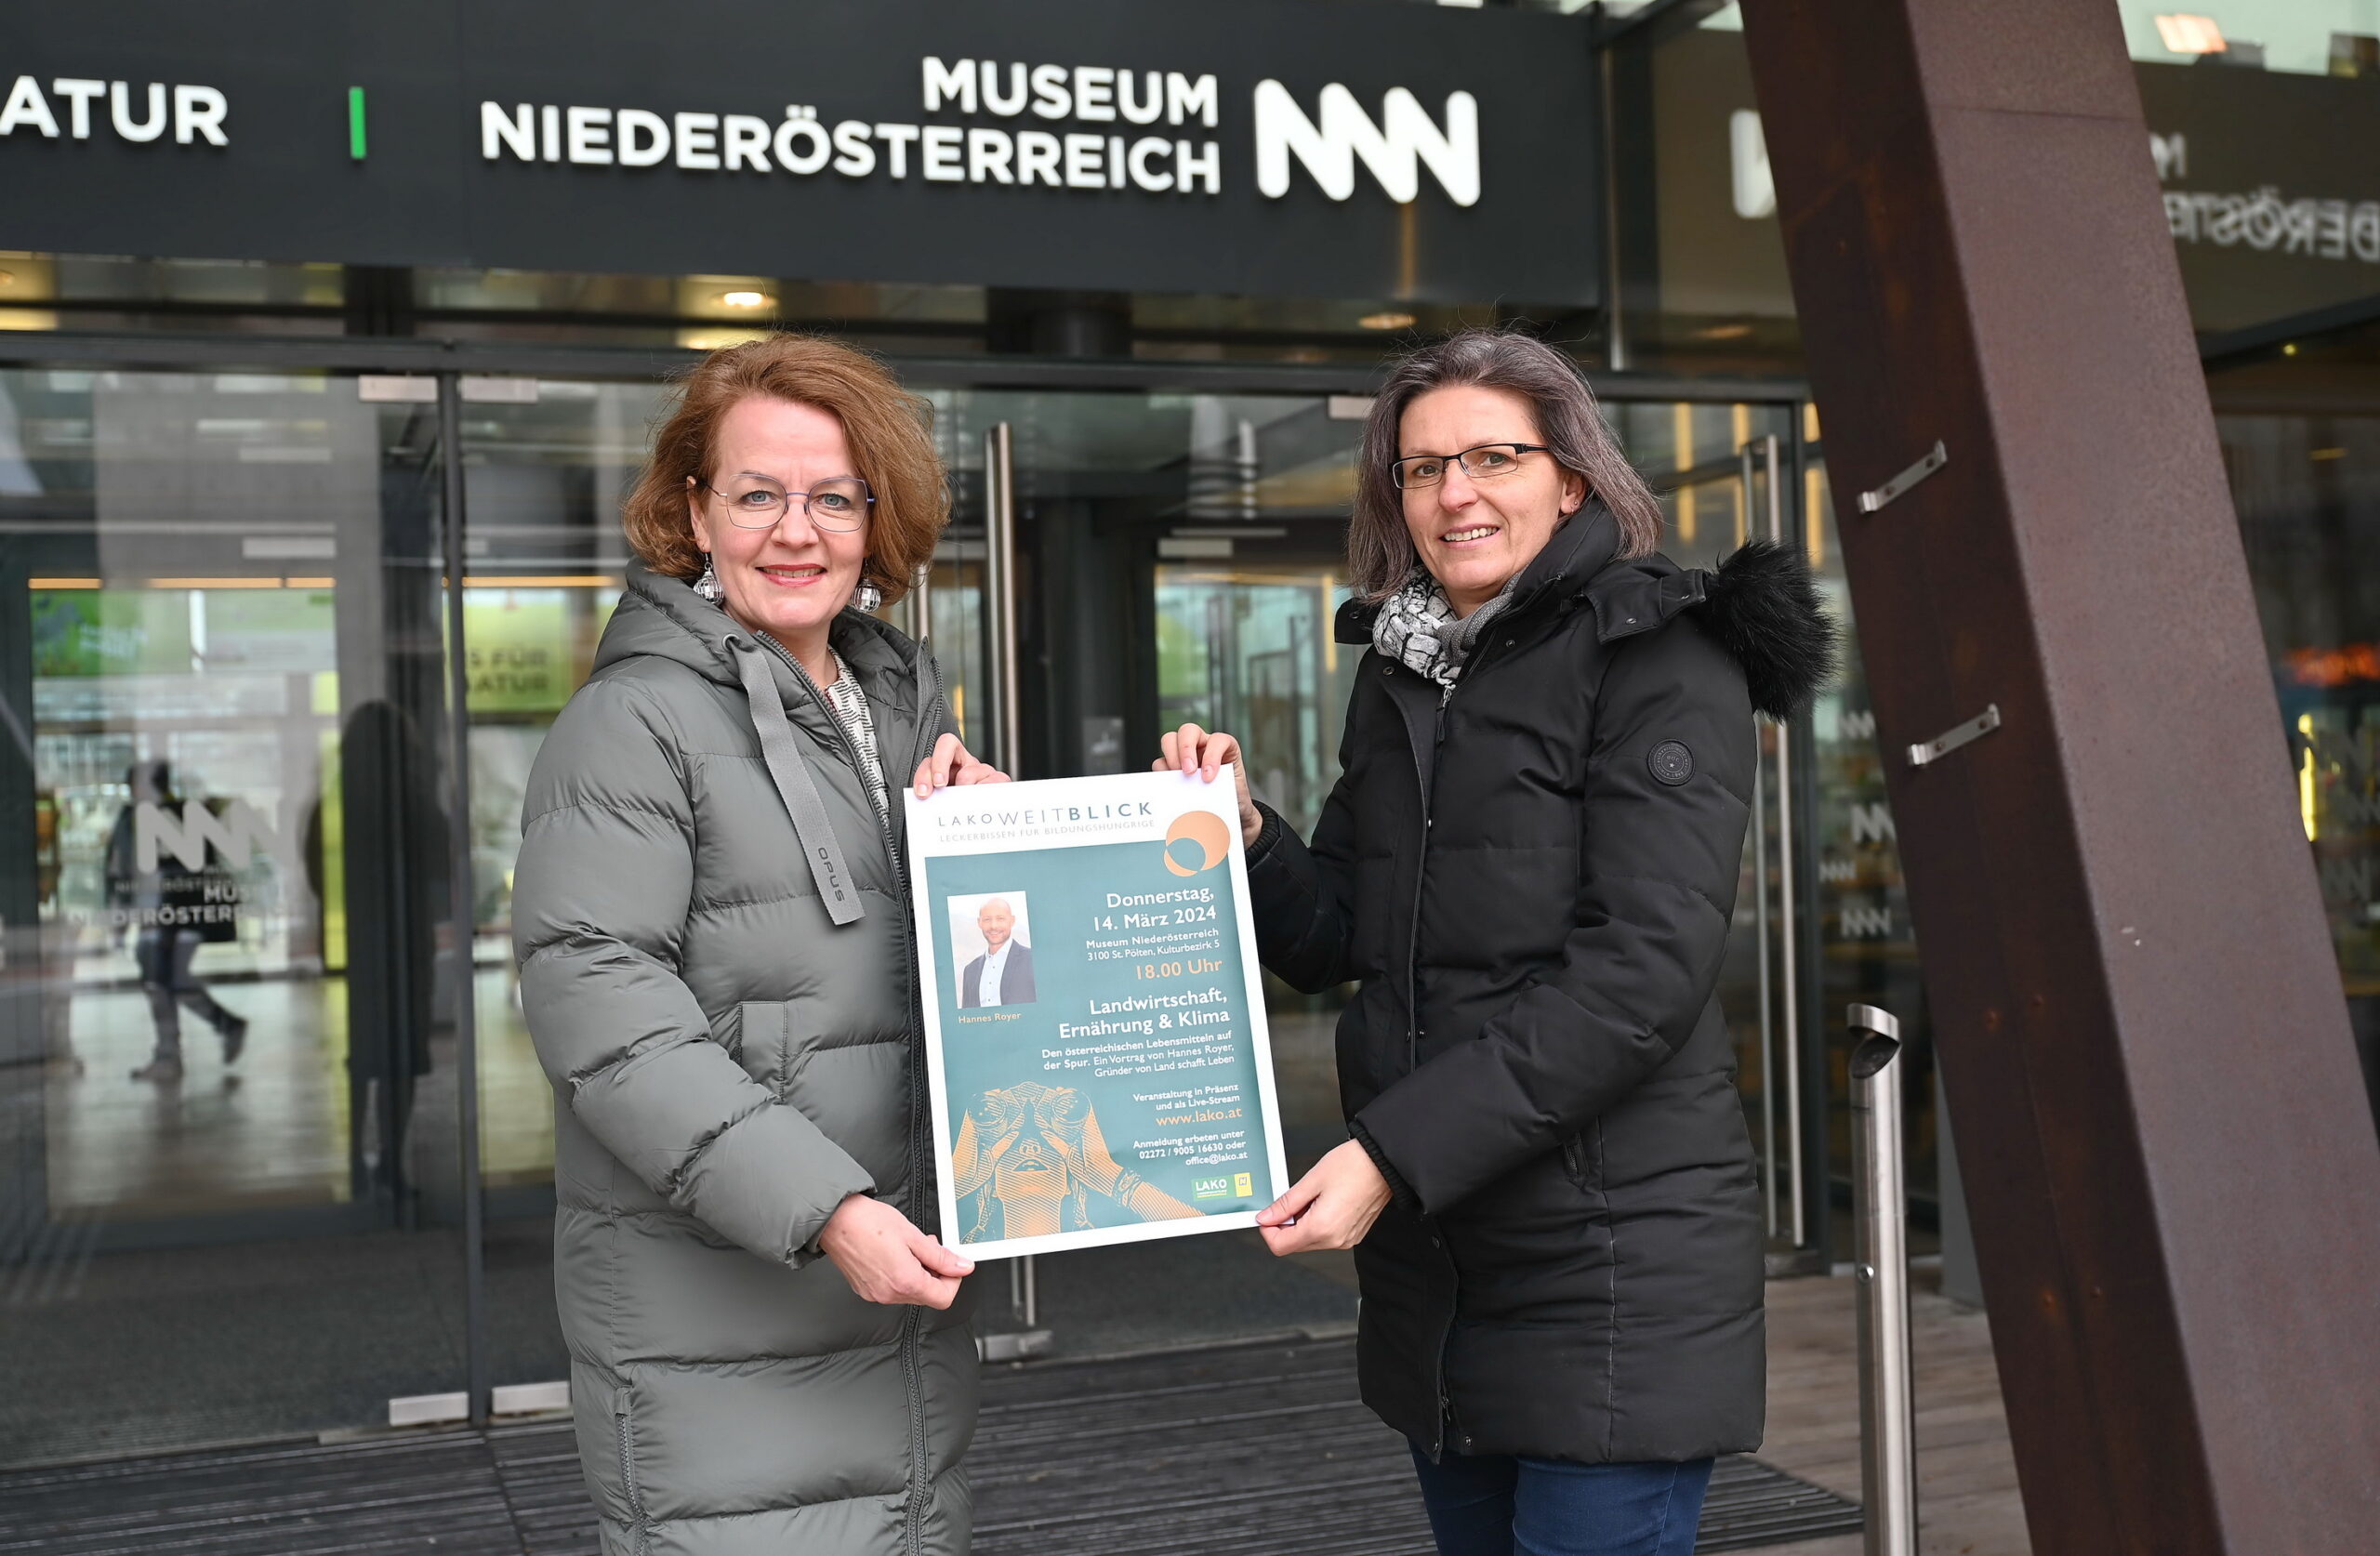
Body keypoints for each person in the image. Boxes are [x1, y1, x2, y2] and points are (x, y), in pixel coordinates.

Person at [1158, 330, 1833, 1556]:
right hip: (1442, 1266)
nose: (1454, 491)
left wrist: (1385, 1155)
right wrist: (1241, 830)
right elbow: (1333, 934)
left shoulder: (1663, 653)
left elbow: (1638, 979)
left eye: (1490, 456)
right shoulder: (1406, 670)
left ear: (1570, 476)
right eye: (1421, 469)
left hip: (1612, 1259)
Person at [511, 336, 1009, 1556]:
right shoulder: (632, 723)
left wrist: (994, 848)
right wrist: (828, 1204)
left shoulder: (892, 704)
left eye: (834, 497)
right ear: (695, 510)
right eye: (759, 494)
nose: (799, 530)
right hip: (718, 1323)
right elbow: (605, 1014)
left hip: (893, 1297)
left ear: (874, 517)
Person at [106, 759, 246, 1082]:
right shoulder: (132, 821)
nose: (136, 792)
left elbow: (198, 874)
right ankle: (210, 1034)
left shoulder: (179, 817)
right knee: (165, 981)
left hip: (173, 917)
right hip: (153, 917)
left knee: (164, 981)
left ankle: (172, 1054)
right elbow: (119, 872)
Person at [958, 896, 1036, 1006]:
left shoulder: (1032, 960)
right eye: (987, 919)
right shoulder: (970, 970)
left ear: (1012, 921)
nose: (993, 926)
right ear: (979, 923)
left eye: (1000, 918)